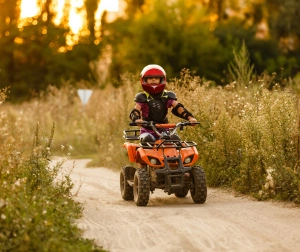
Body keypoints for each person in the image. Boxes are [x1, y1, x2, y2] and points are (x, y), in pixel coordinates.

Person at [129, 64, 197, 143]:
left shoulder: (167, 96)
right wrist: (137, 119)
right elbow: (135, 111)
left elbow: (178, 108)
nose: (153, 80)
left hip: (164, 131)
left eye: (156, 78)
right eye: (150, 78)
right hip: (147, 131)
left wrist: (190, 118)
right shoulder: (142, 97)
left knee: (175, 140)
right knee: (148, 140)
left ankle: (176, 156)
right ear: (144, 80)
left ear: (162, 79)